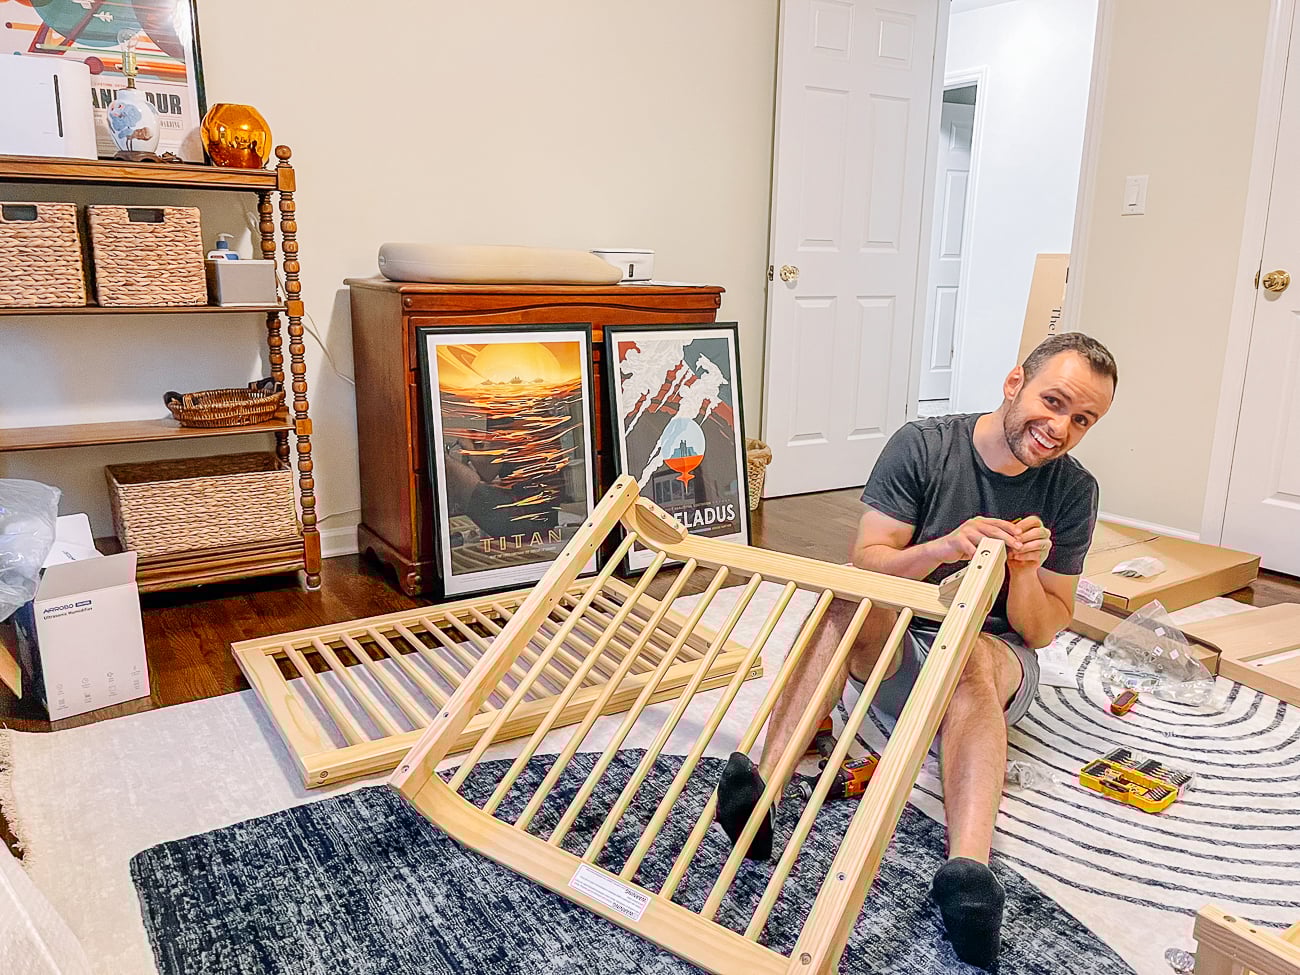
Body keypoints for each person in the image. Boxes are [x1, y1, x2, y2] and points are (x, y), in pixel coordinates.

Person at [715, 332, 1118, 969]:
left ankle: (968, 876)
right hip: (900, 640)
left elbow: (1042, 631)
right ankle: (764, 786)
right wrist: (944, 548)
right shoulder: (925, 446)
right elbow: (868, 564)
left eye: (1082, 419)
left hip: (992, 663)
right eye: (1054, 401)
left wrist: (1021, 572)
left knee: (973, 656)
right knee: (843, 599)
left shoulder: (1073, 491)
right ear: (1014, 384)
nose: (1060, 428)